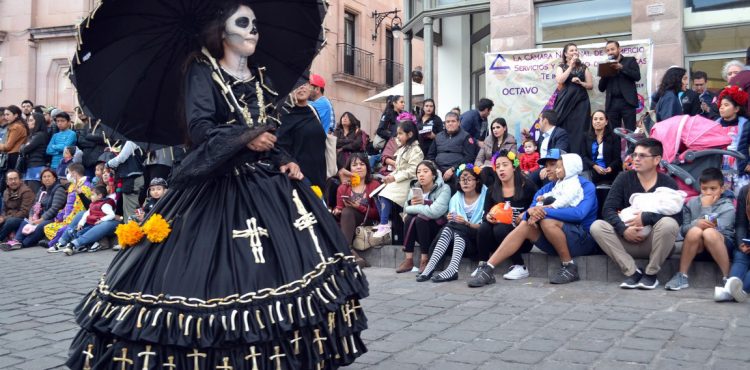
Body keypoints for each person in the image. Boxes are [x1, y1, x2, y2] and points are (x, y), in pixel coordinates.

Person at [67, 2, 369, 368]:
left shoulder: (260, 78)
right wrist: (246, 138)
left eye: (255, 23)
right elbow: (200, 130)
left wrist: (284, 158)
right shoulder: (199, 72)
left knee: (283, 275)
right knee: (219, 278)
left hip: (269, 191)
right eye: (243, 23)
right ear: (221, 32)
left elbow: (270, 129)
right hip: (215, 187)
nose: (253, 30)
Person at [467, 149, 598, 287]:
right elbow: (531, 211)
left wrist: (542, 211)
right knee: (526, 225)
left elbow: (579, 214)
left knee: (547, 221)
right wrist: (531, 212)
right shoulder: (547, 189)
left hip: (582, 240)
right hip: (554, 242)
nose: (548, 169)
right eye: (546, 165)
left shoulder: (585, 186)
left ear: (567, 166)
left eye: (554, 164)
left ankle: (569, 266)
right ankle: (488, 269)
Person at [590, 138, 682, 290]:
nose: (636, 159)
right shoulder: (623, 178)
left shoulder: (667, 183)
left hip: (655, 243)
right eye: (634, 155)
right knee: (597, 226)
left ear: (657, 159)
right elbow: (608, 209)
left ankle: (651, 274)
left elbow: (678, 219)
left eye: (642, 156)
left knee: (669, 224)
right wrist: (623, 230)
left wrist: (646, 217)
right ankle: (632, 273)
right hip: (626, 240)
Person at [665, 168, 734, 291]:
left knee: (709, 232)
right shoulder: (692, 203)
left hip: (721, 246)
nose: (708, 193)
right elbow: (683, 230)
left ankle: (727, 278)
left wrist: (706, 207)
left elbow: (717, 227)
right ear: (700, 188)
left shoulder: (728, 207)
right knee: (695, 230)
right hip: (696, 248)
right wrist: (696, 223)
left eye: (713, 189)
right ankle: (682, 275)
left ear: (722, 189)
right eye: (704, 188)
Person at [417, 163, 487, 282]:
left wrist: (466, 223)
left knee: (456, 226)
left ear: (478, 181)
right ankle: (434, 268)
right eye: (462, 179)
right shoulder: (456, 198)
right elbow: (452, 222)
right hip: (456, 242)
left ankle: (448, 269)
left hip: (476, 240)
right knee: (451, 226)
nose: (465, 182)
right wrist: (449, 217)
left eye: (469, 179)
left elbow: (485, 226)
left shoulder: (486, 196)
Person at [476, 150, 537, 280]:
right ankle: (482, 264)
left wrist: (526, 214)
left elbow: (537, 207)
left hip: (522, 239)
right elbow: (485, 214)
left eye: (505, 165)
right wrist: (488, 217)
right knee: (484, 227)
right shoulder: (492, 190)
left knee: (500, 228)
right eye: (497, 167)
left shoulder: (528, 187)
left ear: (514, 166)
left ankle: (520, 265)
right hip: (499, 239)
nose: (501, 169)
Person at [398, 160, 451, 273]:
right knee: (409, 218)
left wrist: (419, 204)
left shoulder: (444, 188)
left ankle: (425, 259)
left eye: (425, 171)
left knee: (419, 219)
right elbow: (405, 209)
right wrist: (411, 207)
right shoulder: (415, 189)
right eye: (418, 172)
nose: (421, 175)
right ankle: (408, 260)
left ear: (433, 175)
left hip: (436, 230)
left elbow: (435, 212)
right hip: (419, 230)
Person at [373, 120, 423, 238]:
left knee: (385, 194)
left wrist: (394, 177)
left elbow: (412, 171)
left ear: (409, 134)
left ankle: (384, 224)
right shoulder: (402, 148)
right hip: (398, 179)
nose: (398, 136)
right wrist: (389, 177)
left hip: (408, 182)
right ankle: (386, 222)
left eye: (400, 134)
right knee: (376, 194)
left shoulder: (416, 150)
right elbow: (398, 167)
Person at [332, 153, 380, 268]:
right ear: (349, 169)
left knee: (348, 211)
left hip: (368, 220)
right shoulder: (343, 188)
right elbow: (339, 208)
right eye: (354, 165)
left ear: (367, 168)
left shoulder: (374, 185)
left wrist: (358, 206)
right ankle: (354, 256)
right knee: (341, 214)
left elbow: (378, 214)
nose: (358, 167)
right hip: (348, 221)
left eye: (362, 164)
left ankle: (347, 253)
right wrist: (336, 211)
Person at [277, 82, 327, 189]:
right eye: (297, 84)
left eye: (305, 84)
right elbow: (279, 146)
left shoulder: (313, 110)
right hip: (298, 179)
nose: (301, 87)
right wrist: (288, 161)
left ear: (310, 88)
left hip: (319, 177)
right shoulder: (284, 113)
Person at [0, 169, 66, 250]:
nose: (46, 178)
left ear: (54, 178)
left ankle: (23, 244)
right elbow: (34, 205)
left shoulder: (59, 189)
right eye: (44, 177)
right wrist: (31, 217)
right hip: (38, 217)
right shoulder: (42, 189)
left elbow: (54, 209)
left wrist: (41, 219)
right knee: (25, 221)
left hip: (53, 218)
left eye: (49, 176)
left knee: (41, 225)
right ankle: (16, 241)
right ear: (41, 180)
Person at [554, 43, 593, 154]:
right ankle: (564, 156)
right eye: (571, 50)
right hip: (566, 101)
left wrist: (581, 83)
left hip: (581, 101)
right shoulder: (561, 67)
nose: (575, 52)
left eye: (576, 50)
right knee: (565, 128)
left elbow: (590, 85)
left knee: (581, 129)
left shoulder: (583, 67)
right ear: (565, 54)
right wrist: (571, 66)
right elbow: (560, 80)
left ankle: (580, 157)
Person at [44, 163, 93, 249]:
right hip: (67, 218)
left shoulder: (85, 186)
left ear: (74, 173)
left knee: (63, 229)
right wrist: (61, 215)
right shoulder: (73, 186)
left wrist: (68, 220)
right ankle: (63, 239)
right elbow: (68, 204)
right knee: (48, 227)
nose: (67, 175)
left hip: (76, 219)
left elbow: (80, 208)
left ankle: (59, 241)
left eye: (68, 172)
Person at [58, 185, 116, 255]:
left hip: (100, 224)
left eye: (92, 195)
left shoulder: (105, 205)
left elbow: (112, 215)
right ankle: (63, 242)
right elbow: (87, 213)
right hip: (93, 223)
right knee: (79, 230)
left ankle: (74, 244)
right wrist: (81, 223)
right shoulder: (93, 203)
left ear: (100, 196)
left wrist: (102, 219)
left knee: (85, 232)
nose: (91, 196)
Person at [598, 40, 641, 131]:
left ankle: (631, 146)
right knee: (613, 134)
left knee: (630, 131)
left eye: (612, 49)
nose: (610, 52)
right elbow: (601, 88)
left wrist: (622, 68)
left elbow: (637, 76)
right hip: (612, 103)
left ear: (619, 49)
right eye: (608, 50)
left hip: (627, 103)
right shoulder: (606, 65)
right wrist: (605, 73)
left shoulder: (630, 60)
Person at [427, 112, 478, 188]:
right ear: (445, 124)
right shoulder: (438, 136)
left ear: (458, 123)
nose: (450, 124)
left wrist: (453, 169)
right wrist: (437, 170)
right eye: (448, 121)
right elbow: (430, 155)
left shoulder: (465, 136)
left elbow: (469, 157)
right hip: (438, 169)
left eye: (453, 121)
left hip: (457, 169)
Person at [718, 86, 749, 183]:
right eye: (721, 105)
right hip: (718, 167)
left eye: (726, 105)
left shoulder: (746, 125)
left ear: (736, 109)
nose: (721, 107)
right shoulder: (714, 125)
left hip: (740, 167)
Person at [106, 140, 144, 221]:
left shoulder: (131, 141)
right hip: (135, 178)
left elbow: (122, 158)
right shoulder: (140, 142)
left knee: (130, 213)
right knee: (133, 210)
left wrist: (108, 164)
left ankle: (130, 232)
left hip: (132, 179)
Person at [582, 110, 622, 185]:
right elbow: (584, 156)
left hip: (609, 172)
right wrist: (594, 166)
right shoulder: (585, 136)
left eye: (601, 119)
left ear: (606, 122)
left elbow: (617, 159)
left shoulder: (614, 137)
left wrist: (610, 168)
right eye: (595, 119)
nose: (598, 121)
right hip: (591, 170)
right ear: (592, 121)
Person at [19, 112, 49, 194]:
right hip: (30, 166)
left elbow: (25, 149)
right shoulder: (33, 135)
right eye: (28, 120)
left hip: (36, 166)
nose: (28, 122)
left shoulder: (39, 135)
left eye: (31, 120)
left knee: (34, 193)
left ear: (38, 122)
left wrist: (22, 147)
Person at [0, 170, 35, 236]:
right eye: (10, 179)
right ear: (7, 182)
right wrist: (2, 217)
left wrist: (4, 218)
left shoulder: (26, 191)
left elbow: (24, 212)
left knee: (10, 222)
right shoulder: (6, 192)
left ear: (20, 180)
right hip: (8, 217)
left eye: (15, 179)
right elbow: (4, 210)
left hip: (22, 219)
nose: (13, 181)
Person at [0, 106, 30, 180]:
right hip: (13, 155)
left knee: (10, 181)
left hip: (13, 156)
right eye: (4, 115)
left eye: (8, 114)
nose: (5, 117)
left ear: (16, 115)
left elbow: (7, 146)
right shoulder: (17, 125)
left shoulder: (16, 127)